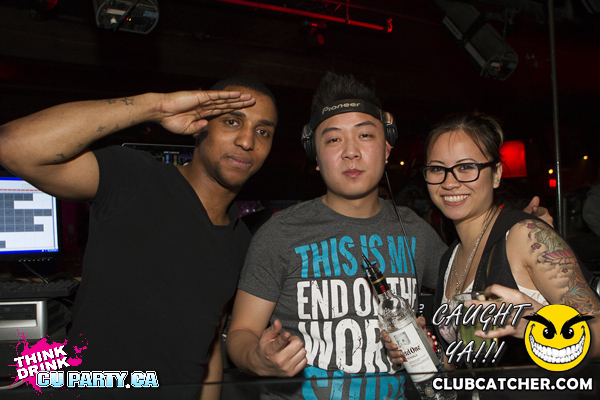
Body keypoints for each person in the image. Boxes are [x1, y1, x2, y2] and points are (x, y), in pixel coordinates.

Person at [225, 73, 548, 399]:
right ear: (316, 158)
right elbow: (241, 332)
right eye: (334, 139)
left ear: (386, 149)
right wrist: (258, 358)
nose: (351, 152)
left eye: (365, 135)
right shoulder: (279, 233)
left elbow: (470, 280)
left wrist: (512, 234)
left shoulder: (416, 232)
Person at [0, 78, 278, 397]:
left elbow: (210, 343)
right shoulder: (135, 178)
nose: (247, 141)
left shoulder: (240, 240)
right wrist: (156, 106)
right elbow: (12, 145)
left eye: (263, 131)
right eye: (232, 122)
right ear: (201, 125)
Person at [417, 112, 600, 367]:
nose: (449, 182)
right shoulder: (451, 257)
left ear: (496, 174)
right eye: (437, 169)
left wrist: (539, 327)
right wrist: (421, 349)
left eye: (466, 167)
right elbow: (466, 360)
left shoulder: (526, 236)